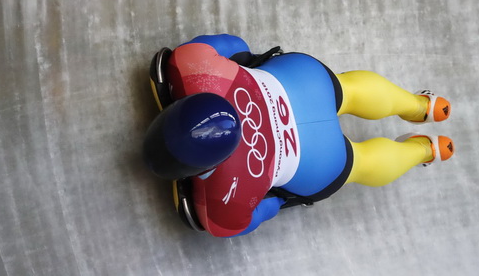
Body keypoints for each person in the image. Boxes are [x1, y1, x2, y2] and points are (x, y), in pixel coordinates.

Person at [143, 34, 454, 237]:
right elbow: (234, 45)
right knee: (349, 91)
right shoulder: (190, 62)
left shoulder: (224, 205)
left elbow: (250, 218)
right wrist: (247, 64)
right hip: (302, 81)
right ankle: (422, 106)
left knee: (361, 163)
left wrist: (278, 199)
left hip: (315, 162)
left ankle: (424, 150)